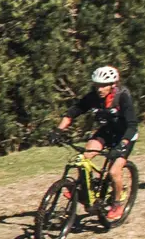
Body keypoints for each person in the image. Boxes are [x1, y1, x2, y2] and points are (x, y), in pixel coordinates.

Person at [57, 65, 138, 221]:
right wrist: (59, 130)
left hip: (125, 135)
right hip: (107, 132)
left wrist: (122, 144)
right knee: (83, 159)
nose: (99, 89)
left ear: (113, 84)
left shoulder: (122, 96)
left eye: (103, 85)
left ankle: (117, 203)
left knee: (114, 171)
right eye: (97, 85)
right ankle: (84, 191)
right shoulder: (93, 97)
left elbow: (132, 125)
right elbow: (74, 111)